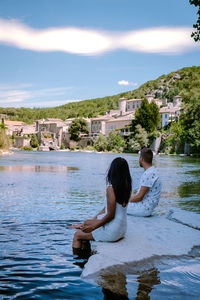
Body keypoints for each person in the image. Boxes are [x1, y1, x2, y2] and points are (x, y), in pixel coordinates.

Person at [71, 157, 132, 251]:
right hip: (122, 229)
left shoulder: (111, 189)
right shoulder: (127, 188)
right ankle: (84, 246)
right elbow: (106, 209)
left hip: (112, 231)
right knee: (86, 223)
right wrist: (91, 222)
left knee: (77, 235)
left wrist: (93, 227)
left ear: (113, 171)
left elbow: (111, 215)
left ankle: (78, 260)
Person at [127, 147, 161, 217]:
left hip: (143, 209)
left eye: (139, 157)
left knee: (115, 204)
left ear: (142, 159)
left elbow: (139, 198)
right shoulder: (153, 171)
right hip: (146, 207)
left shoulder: (149, 174)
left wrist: (124, 200)